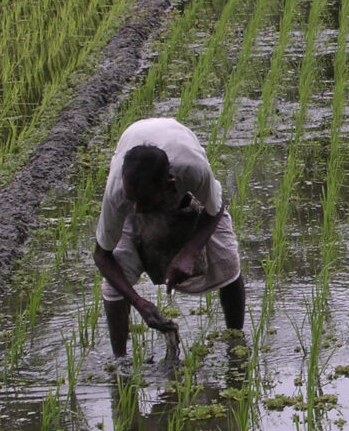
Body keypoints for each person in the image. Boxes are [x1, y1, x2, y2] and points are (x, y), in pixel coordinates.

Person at [93, 117, 245, 356]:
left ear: (169, 185)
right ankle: (120, 361)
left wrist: (189, 252)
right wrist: (139, 303)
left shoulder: (194, 169)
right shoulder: (119, 193)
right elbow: (102, 255)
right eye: (130, 201)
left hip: (177, 146)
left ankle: (236, 341)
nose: (134, 209)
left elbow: (215, 206)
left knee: (227, 263)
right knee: (113, 288)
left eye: (141, 202)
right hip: (138, 153)